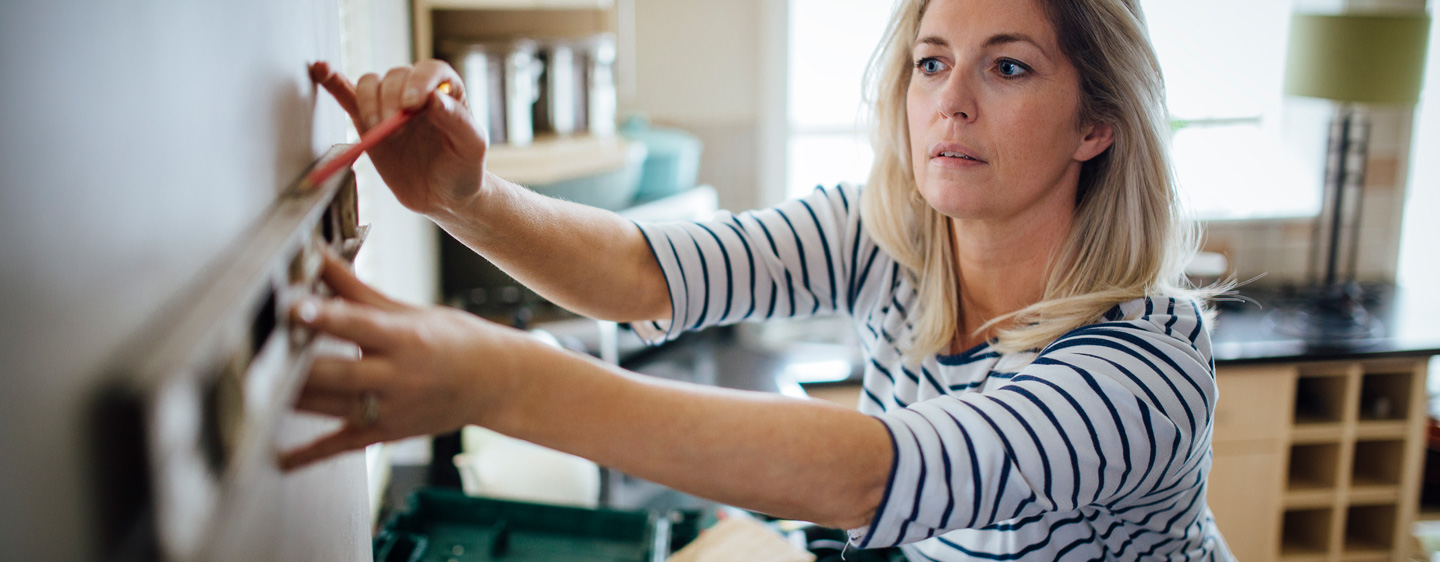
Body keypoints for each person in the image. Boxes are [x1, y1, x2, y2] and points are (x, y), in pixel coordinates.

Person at [285, 0, 1236, 558]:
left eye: (1010, 67)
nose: (949, 99)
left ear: (1094, 126)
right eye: (931, 61)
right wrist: (466, 199)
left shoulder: (1143, 369)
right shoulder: (893, 235)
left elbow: (877, 477)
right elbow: (646, 273)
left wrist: (499, 380)